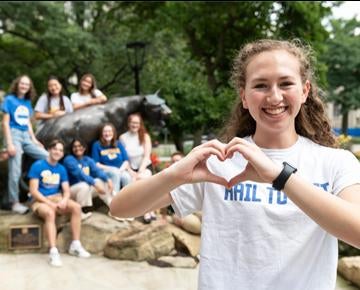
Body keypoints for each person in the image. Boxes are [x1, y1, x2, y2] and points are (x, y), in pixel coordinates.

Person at [110, 39, 360, 290]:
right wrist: (175, 174)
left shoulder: (335, 162)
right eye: (261, 85)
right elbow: (120, 208)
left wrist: (280, 177)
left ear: (304, 91)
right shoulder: (220, 161)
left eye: (285, 83)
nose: (274, 96)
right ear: (244, 96)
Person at [28, 139, 91, 267]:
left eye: (61, 150)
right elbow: (33, 191)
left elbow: (66, 190)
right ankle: (53, 251)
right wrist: (49, 203)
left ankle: (75, 245)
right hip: (40, 200)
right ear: (49, 150)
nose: (58, 152)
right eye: (55, 149)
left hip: (57, 197)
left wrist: (64, 200)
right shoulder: (38, 165)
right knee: (50, 213)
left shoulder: (61, 168)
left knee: (76, 207)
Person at [1, 75, 49, 214]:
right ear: (17, 84)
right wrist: (9, 144)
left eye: (26, 84)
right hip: (14, 134)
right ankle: (14, 202)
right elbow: (5, 122)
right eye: (22, 83)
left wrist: (33, 139)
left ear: (29, 87)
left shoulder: (27, 102)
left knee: (47, 157)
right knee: (15, 170)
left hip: (26, 136)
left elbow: (27, 122)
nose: (24, 86)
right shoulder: (9, 100)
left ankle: (40, 192)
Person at [63, 138, 114, 219]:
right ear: (72, 149)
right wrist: (95, 184)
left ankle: (113, 208)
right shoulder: (69, 160)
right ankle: (80, 212)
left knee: (101, 181)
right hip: (72, 190)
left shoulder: (87, 159)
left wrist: (108, 179)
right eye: (74, 147)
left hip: (86, 189)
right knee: (85, 184)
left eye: (80, 146)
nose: (77, 148)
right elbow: (80, 174)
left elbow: (97, 171)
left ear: (84, 147)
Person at [119, 113, 155, 223]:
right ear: (128, 123)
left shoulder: (145, 136)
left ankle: (147, 211)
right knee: (133, 182)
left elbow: (146, 155)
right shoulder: (123, 137)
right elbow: (124, 158)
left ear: (140, 124)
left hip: (144, 166)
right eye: (132, 122)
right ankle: (148, 211)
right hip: (129, 167)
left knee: (143, 180)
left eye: (137, 123)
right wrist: (130, 171)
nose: (135, 125)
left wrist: (139, 172)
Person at [91, 123, 131, 194]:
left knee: (126, 177)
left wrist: (120, 170)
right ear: (101, 134)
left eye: (109, 131)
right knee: (114, 173)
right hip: (106, 171)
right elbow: (96, 164)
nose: (107, 133)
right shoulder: (97, 145)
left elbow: (126, 161)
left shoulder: (118, 144)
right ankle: (115, 200)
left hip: (120, 170)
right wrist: (112, 169)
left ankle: (128, 199)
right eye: (105, 131)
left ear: (113, 133)